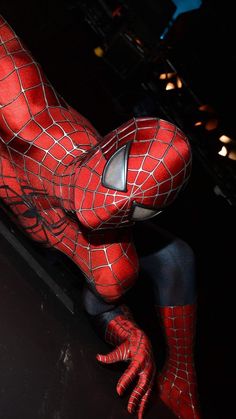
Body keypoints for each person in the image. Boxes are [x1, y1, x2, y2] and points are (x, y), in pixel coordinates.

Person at [0, 15, 200, 418]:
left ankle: (182, 373)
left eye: (139, 207)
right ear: (113, 141)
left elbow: (100, 306)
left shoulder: (112, 262)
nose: (110, 208)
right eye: (117, 176)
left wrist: (123, 328)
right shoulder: (21, 103)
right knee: (175, 256)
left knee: (176, 257)